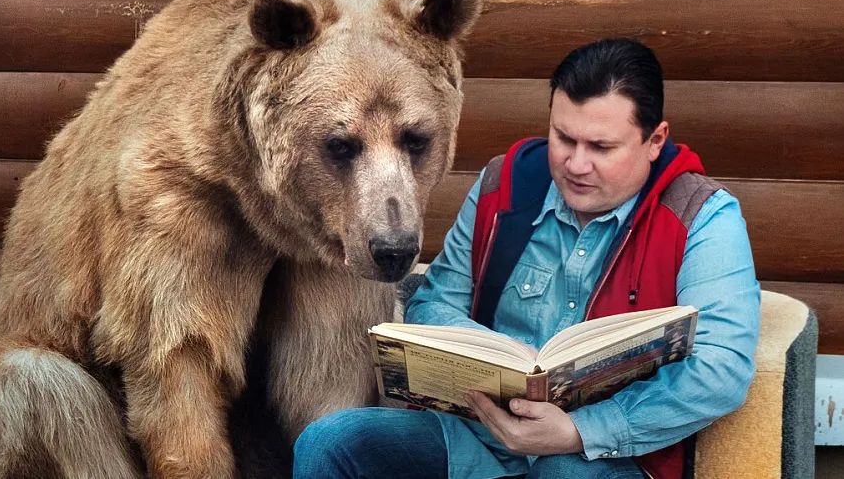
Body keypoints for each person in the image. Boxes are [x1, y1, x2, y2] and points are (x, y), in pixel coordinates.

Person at [292, 38, 760, 479]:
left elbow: (721, 368)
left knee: (561, 471)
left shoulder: (703, 216)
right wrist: (488, 359)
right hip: (477, 435)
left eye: (601, 148)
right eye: (564, 138)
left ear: (655, 140)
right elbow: (435, 302)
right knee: (332, 441)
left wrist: (579, 431)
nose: (576, 165)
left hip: (601, 455)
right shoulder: (506, 182)